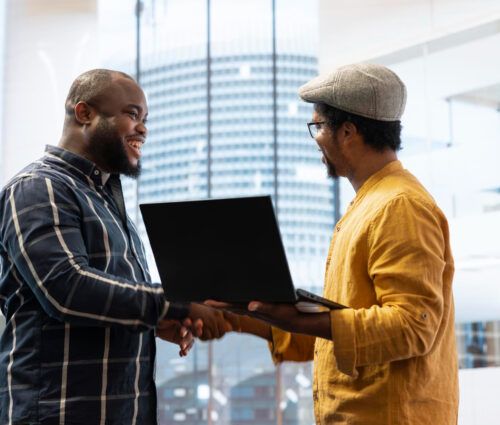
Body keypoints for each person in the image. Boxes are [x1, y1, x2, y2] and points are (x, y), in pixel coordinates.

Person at [208, 63, 459, 424]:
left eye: (318, 127)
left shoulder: (398, 205)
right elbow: (336, 337)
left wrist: (301, 318)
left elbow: (412, 326)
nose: (317, 140)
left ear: (348, 132)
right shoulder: (371, 205)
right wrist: (238, 315)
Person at [0, 69, 231, 424]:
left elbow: (104, 300)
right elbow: (67, 289)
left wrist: (154, 321)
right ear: (85, 113)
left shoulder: (106, 201)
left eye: (145, 119)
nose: (143, 128)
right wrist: (176, 305)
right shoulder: (38, 188)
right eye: (132, 114)